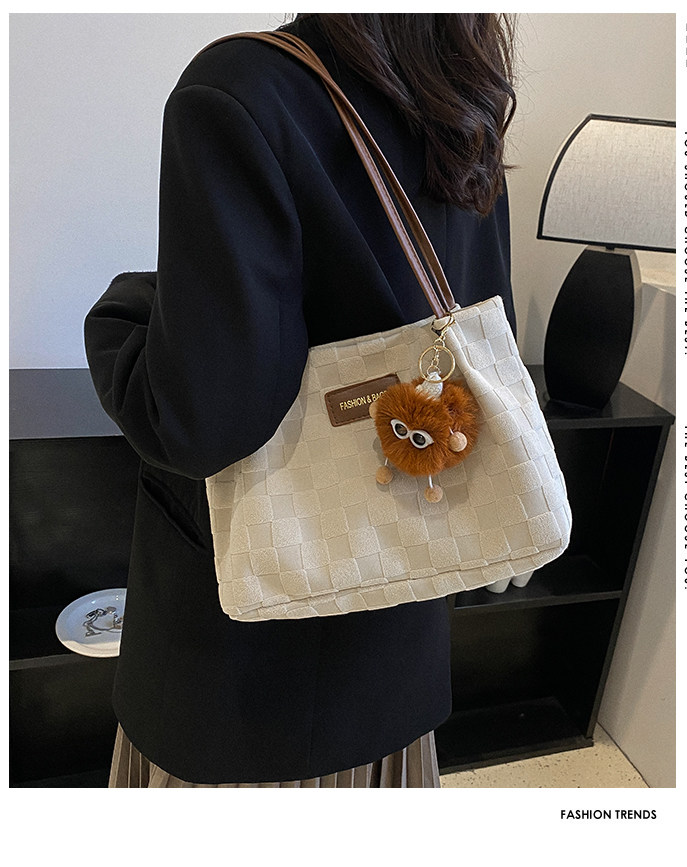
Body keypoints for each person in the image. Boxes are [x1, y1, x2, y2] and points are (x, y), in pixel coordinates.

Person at [84, 12, 517, 788]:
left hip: (247, 689)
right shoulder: (465, 97)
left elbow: (204, 422)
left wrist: (124, 313)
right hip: (397, 650)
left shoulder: (239, 91)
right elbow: (478, 343)